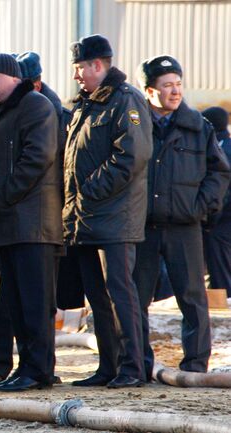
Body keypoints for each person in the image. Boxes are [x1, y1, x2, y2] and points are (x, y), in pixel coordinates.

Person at [0, 53, 61, 392]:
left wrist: (1, 197)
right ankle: (21, 369)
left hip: (33, 226)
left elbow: (37, 158)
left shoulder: (36, 106)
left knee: (34, 303)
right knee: (10, 305)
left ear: (13, 78)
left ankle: (37, 371)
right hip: (5, 225)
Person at [63, 34, 152, 389]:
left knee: (120, 292)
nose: (76, 77)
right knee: (97, 297)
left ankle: (133, 367)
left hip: (115, 218)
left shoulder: (124, 101)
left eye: (79, 69)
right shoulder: (86, 105)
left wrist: (88, 190)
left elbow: (131, 155)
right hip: (86, 219)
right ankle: (108, 366)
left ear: (97, 65)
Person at [133, 56, 230, 377]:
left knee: (192, 299)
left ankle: (195, 364)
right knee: (137, 298)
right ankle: (138, 364)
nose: (174, 92)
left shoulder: (197, 126)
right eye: (166, 86)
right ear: (149, 91)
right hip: (143, 227)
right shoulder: (135, 126)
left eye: (177, 84)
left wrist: (202, 207)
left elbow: (219, 172)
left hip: (185, 226)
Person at [202, 106, 231, 297]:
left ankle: (224, 299)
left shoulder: (220, 148)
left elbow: (223, 189)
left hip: (222, 218)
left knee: (220, 263)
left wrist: (212, 216)